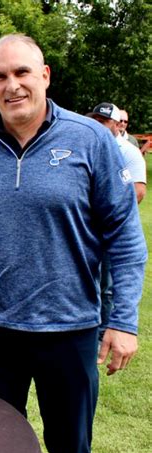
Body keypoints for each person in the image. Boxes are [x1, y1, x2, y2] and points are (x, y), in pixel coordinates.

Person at [0, 34, 147, 453]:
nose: (12, 85)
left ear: (44, 76)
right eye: (0, 77)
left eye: (22, 72)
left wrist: (123, 321)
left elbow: (124, 237)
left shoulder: (90, 140)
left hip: (70, 329)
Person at [89, 102, 147, 341]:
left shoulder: (128, 151)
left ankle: (104, 329)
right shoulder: (87, 145)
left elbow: (138, 191)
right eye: (96, 120)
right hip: (88, 231)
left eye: (104, 122)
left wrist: (111, 217)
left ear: (117, 124)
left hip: (108, 229)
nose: (100, 126)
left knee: (108, 283)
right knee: (92, 281)